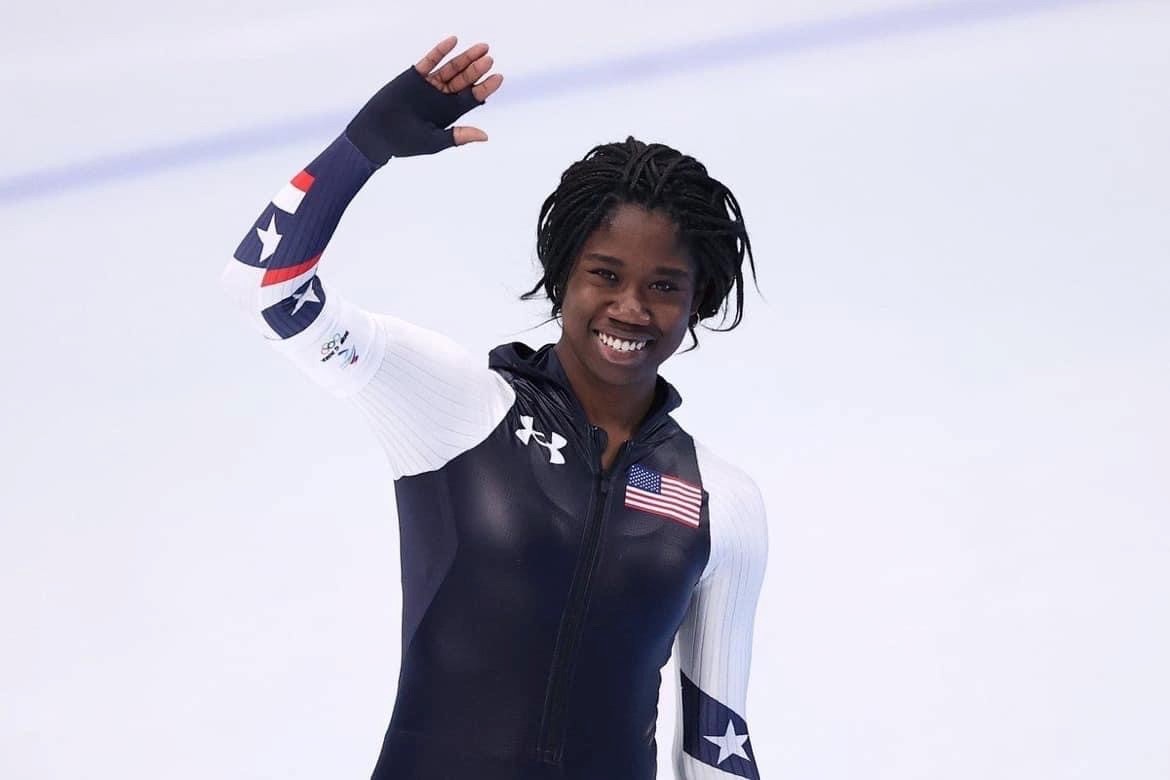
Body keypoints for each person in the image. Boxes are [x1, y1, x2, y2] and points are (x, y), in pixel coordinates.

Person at [222, 35, 768, 780]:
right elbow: (268, 291)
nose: (631, 308)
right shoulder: (457, 405)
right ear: (561, 275)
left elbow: (715, 747)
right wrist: (364, 147)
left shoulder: (720, 502)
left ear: (699, 300)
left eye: (664, 286)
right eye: (605, 275)